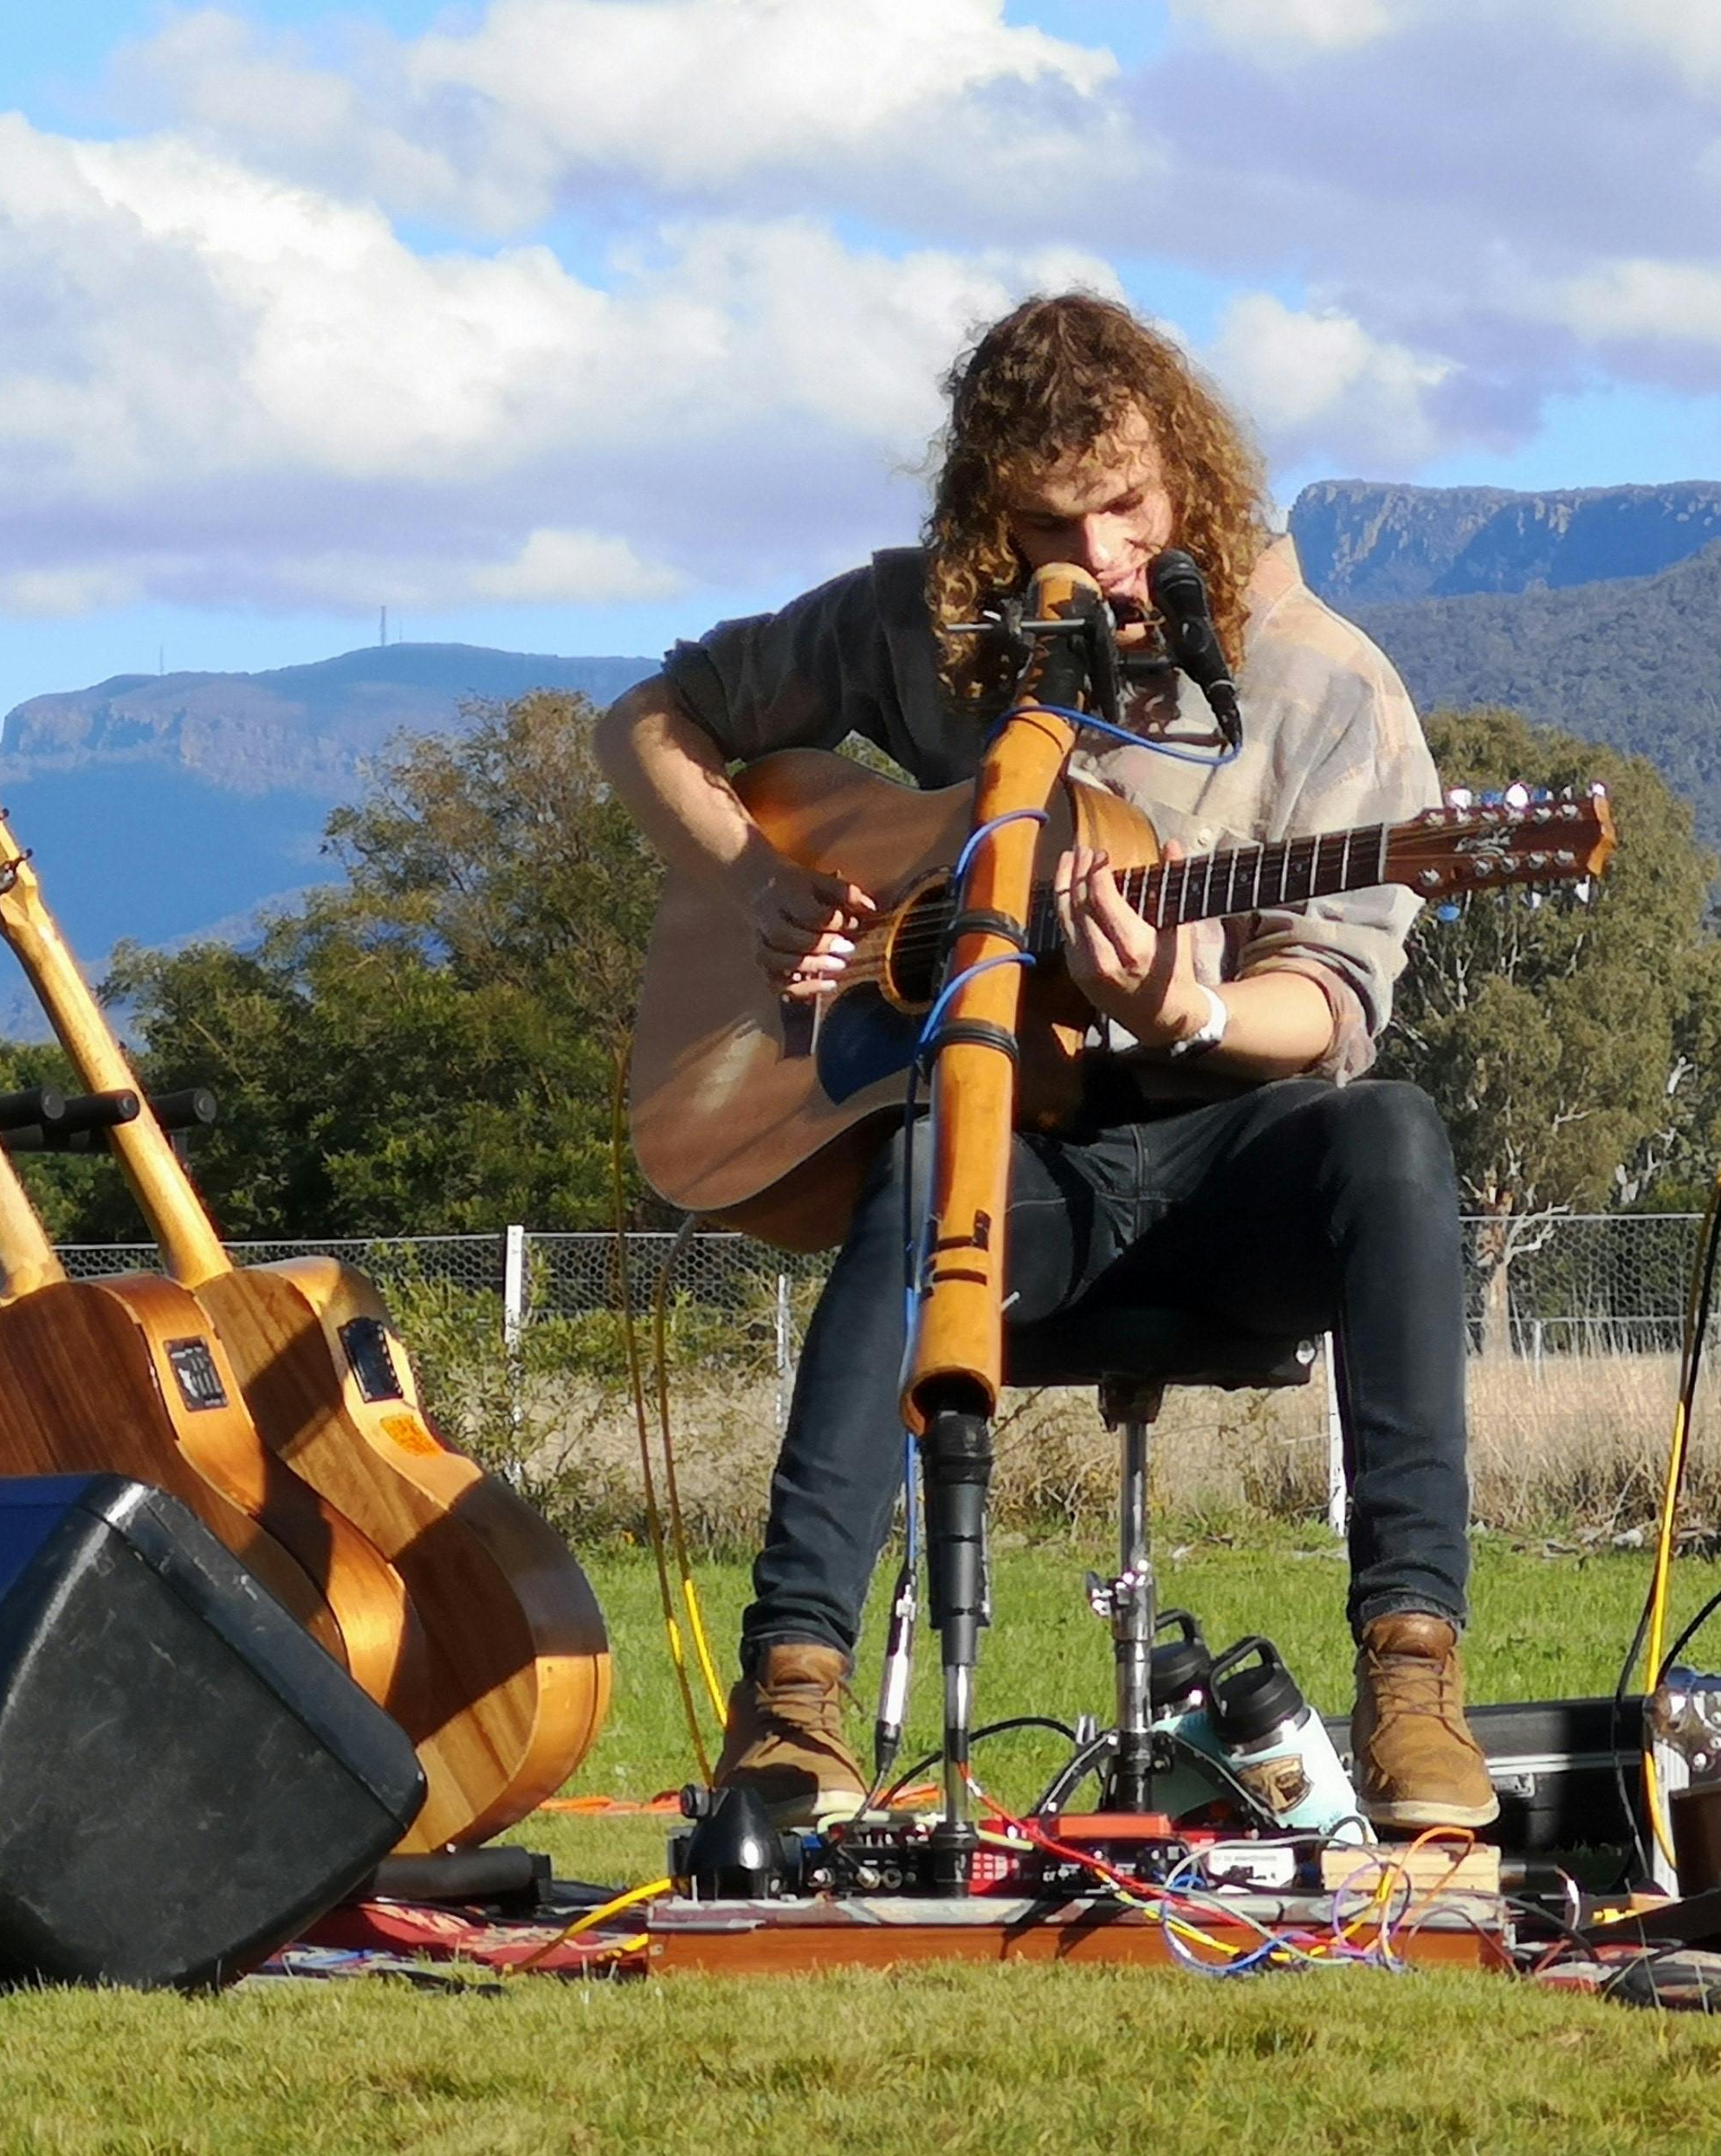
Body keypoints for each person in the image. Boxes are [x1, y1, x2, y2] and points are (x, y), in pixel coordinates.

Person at [594, 292, 1495, 1834]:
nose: (1107, 548)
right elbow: (646, 720)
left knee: (1393, 1135)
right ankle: (793, 1699)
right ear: (989, 514)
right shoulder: (924, 630)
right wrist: (762, 881)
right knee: (928, 1149)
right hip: (1021, 1163)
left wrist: (1184, 1011)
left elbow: (1329, 1007)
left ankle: (1413, 1678)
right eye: (1052, 517)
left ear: (1188, 466)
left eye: (1131, 501)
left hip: (1231, 1163)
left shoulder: (1326, 684)